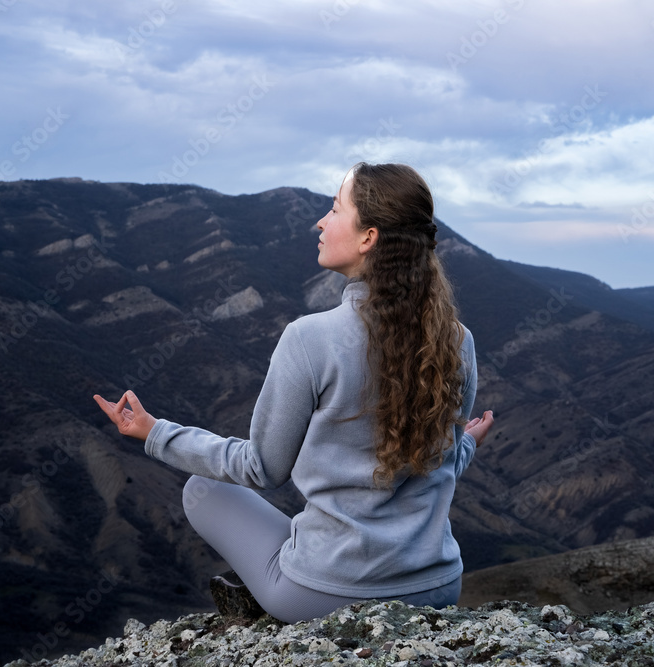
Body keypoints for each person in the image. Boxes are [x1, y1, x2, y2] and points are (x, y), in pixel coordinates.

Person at [94, 162, 494, 623]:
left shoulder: (309, 339)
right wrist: (465, 445)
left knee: (203, 490)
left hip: (326, 597)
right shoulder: (457, 340)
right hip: (437, 587)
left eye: (334, 209)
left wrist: (154, 432)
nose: (320, 222)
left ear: (369, 237)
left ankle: (279, 590)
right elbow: (432, 466)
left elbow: (261, 469)